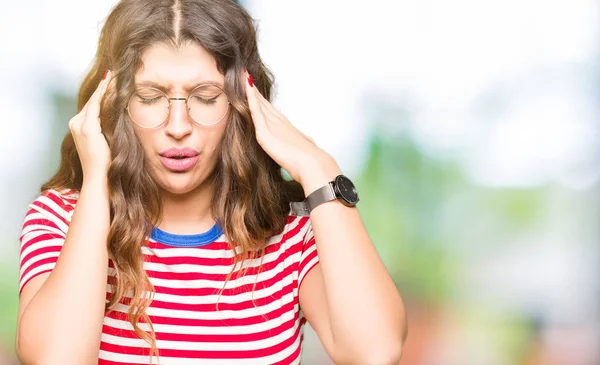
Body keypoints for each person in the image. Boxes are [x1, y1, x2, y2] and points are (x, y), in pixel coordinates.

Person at [16, 0, 407, 364]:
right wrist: (98, 175)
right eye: (151, 96)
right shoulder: (62, 218)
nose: (179, 127)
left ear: (241, 101)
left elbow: (375, 351)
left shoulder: (293, 232)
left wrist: (318, 166)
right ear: (116, 104)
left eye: (204, 96)